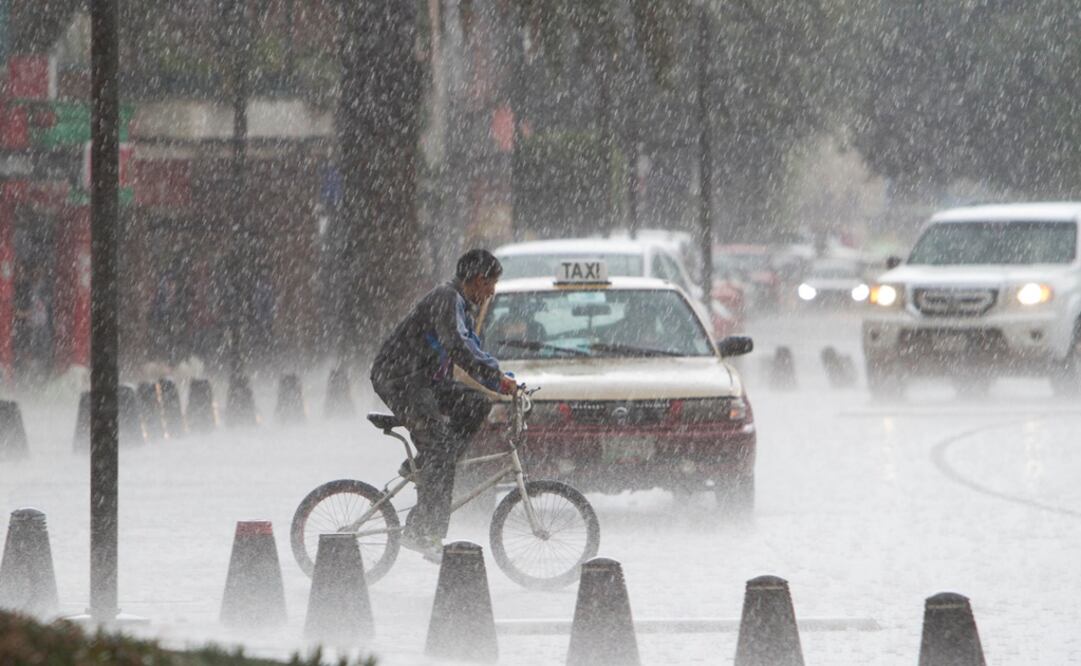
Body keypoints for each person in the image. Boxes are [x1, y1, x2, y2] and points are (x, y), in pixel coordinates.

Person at [370, 249, 517, 563]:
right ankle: (424, 532)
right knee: (441, 449)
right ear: (478, 280)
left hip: (427, 382)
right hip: (402, 379)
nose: (492, 292)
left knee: (476, 403)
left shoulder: (462, 305)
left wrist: (498, 378)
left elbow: (472, 345)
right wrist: (496, 378)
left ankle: (427, 464)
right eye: (491, 284)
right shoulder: (446, 298)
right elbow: (458, 345)